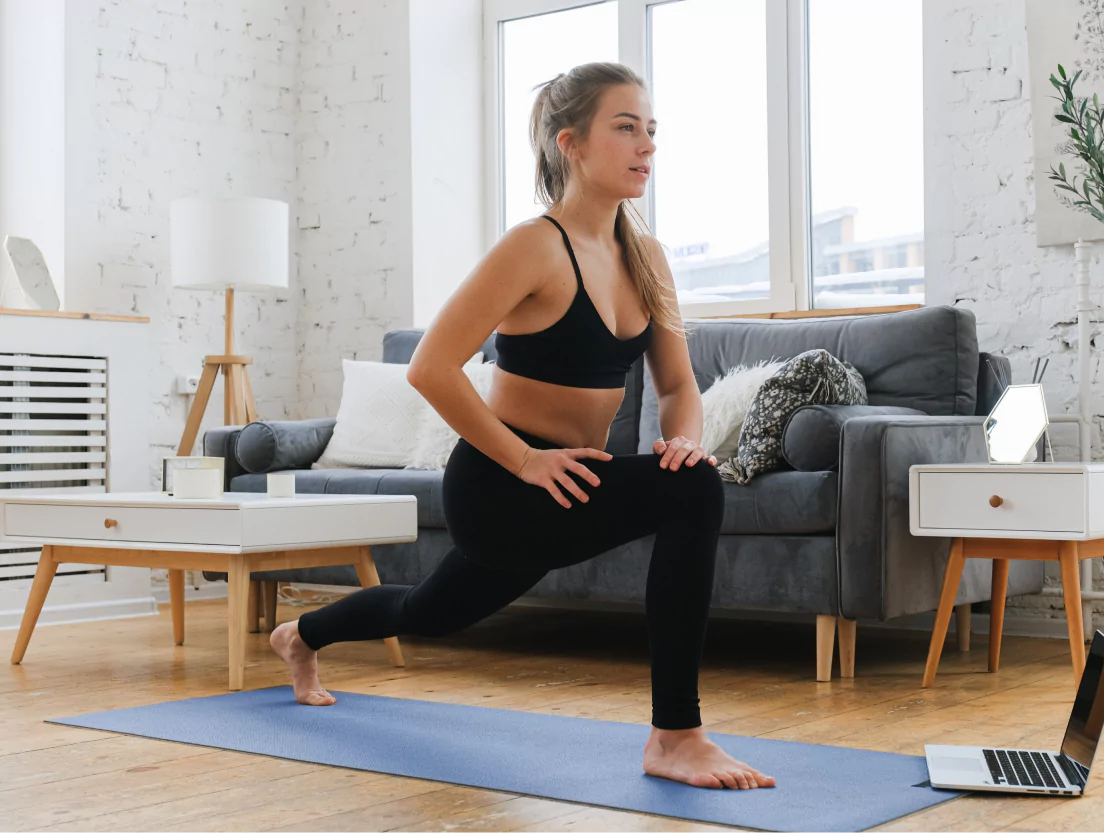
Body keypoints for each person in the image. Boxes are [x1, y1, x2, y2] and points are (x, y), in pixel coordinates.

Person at [270, 61, 775, 791]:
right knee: (693, 492)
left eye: (652, 131)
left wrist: (684, 436)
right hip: (501, 485)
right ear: (570, 142)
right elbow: (431, 367)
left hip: (567, 485)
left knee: (428, 611)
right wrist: (524, 461)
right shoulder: (531, 246)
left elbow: (675, 384)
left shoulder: (646, 257)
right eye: (625, 128)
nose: (646, 146)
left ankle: (301, 634)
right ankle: (675, 735)